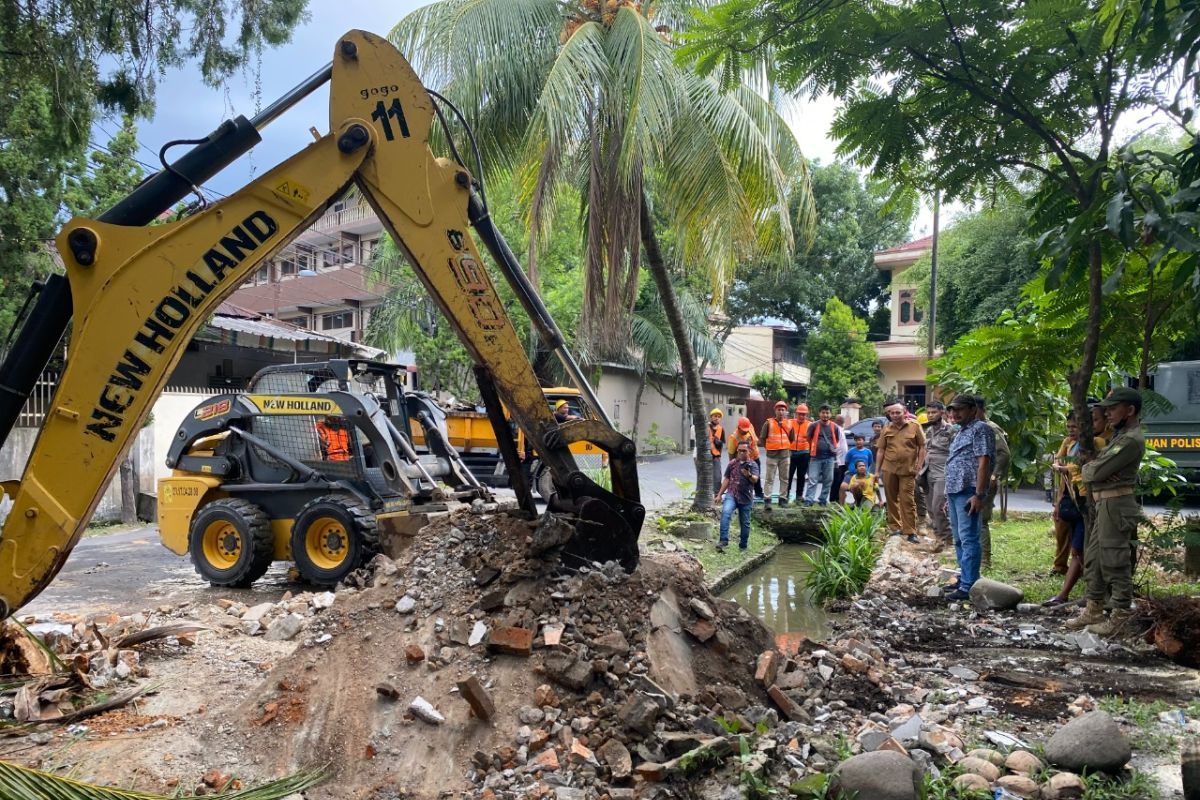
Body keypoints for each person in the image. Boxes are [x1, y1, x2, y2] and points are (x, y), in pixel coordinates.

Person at [1065, 386, 1145, 636]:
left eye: (1113, 408)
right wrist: (1094, 469)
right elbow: (1094, 470)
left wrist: (1093, 469)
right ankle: (1094, 608)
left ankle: (1120, 615)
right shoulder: (1119, 437)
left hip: (1116, 504)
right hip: (1104, 503)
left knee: (1114, 560)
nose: (1107, 413)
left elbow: (1093, 472)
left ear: (1130, 410)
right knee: (1094, 558)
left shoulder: (1130, 440)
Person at [1043, 413, 1105, 607]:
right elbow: (1063, 468)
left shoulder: (1098, 442)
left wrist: (1066, 469)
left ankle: (1074, 594)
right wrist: (1059, 500)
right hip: (1073, 499)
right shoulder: (1070, 444)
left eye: (1075, 426)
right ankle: (1068, 592)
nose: (1071, 429)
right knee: (1077, 547)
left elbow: (1090, 470)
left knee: (1081, 548)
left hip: (1088, 501)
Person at [942, 394, 995, 601]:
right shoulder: (962, 431)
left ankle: (968, 585)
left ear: (973, 409)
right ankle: (964, 578)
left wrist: (979, 494)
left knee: (969, 537)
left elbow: (984, 463)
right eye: (952, 410)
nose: (955, 414)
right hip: (955, 492)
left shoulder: (981, 429)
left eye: (960, 409)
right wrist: (948, 496)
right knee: (958, 539)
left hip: (969, 491)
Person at [876, 401, 926, 543]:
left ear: (904, 412)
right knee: (891, 499)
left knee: (907, 500)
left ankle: (911, 531)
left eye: (898, 412)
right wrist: (876, 472)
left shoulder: (915, 426)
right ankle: (895, 528)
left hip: (908, 470)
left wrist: (919, 465)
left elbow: (922, 447)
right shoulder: (886, 429)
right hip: (889, 469)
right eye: (892, 413)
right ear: (889, 414)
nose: (895, 415)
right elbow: (881, 450)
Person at [976, 396, 1010, 569]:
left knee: (981, 519)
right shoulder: (974, 428)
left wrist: (994, 476)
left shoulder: (990, 428)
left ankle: (985, 560)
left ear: (981, 410)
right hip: (975, 479)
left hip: (987, 480)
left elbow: (1003, 453)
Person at [919, 401, 955, 550]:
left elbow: (956, 453)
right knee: (930, 508)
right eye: (928, 413)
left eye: (934, 412)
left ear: (942, 413)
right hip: (928, 471)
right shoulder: (929, 431)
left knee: (939, 507)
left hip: (943, 472)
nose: (930, 415)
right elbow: (926, 450)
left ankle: (948, 539)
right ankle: (939, 538)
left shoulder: (951, 430)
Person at [715, 440, 760, 551]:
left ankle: (743, 546)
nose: (741, 453)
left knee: (745, 523)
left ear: (749, 451)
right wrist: (719, 494)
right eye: (739, 451)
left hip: (746, 497)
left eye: (744, 451)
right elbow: (727, 479)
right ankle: (723, 541)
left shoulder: (753, 464)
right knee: (725, 513)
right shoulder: (732, 463)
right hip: (732, 494)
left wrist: (748, 475)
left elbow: (755, 479)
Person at [803, 405, 840, 505]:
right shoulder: (813, 425)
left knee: (828, 480)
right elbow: (808, 438)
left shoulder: (834, 427)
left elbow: (836, 439)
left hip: (829, 457)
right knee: (813, 479)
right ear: (819, 414)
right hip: (815, 457)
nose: (825, 415)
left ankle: (823, 500)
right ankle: (809, 500)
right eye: (823, 412)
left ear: (830, 414)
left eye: (827, 413)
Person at [760, 401, 795, 505]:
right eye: (779, 409)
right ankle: (767, 499)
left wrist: (785, 446)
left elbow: (792, 438)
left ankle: (782, 499)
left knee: (784, 478)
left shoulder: (789, 423)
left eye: (783, 410)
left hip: (785, 455)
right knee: (769, 478)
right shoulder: (768, 422)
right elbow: (762, 438)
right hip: (772, 455)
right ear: (775, 411)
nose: (781, 412)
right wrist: (769, 448)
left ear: (785, 412)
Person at [728, 416, 763, 499]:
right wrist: (733, 465)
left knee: (756, 476)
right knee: (743, 478)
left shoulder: (750, 427)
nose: (745, 431)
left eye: (746, 430)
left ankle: (758, 493)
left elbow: (755, 440)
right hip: (743, 460)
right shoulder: (733, 437)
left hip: (755, 457)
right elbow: (731, 453)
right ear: (739, 427)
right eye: (743, 430)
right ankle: (740, 494)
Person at [838, 434, 874, 503]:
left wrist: (863, 470)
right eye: (856, 440)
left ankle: (858, 503)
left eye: (860, 440)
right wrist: (851, 469)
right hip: (851, 474)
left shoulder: (868, 452)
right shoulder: (851, 451)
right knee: (842, 487)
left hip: (863, 475)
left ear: (863, 441)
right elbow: (847, 462)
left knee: (860, 488)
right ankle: (841, 505)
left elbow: (869, 462)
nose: (858, 442)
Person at [786, 403, 811, 502]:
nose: (801, 416)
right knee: (788, 475)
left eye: (804, 414)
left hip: (804, 453)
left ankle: (799, 496)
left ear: (806, 415)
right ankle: (785, 494)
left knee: (801, 476)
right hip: (791, 452)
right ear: (796, 414)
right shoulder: (789, 423)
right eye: (800, 414)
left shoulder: (810, 425)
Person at [830, 414, 850, 502]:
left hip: (843, 460)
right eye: (840, 419)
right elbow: (836, 444)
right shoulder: (835, 428)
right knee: (836, 481)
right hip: (838, 460)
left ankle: (838, 499)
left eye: (842, 419)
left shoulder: (841, 428)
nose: (842, 420)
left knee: (840, 480)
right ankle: (833, 499)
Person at [708, 408, 726, 495]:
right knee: (706, 475)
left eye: (719, 417)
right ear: (711, 417)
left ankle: (717, 494)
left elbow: (722, 442)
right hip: (706, 455)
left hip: (716, 456)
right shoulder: (706, 427)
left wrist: (718, 442)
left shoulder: (721, 429)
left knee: (717, 476)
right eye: (715, 416)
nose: (717, 418)